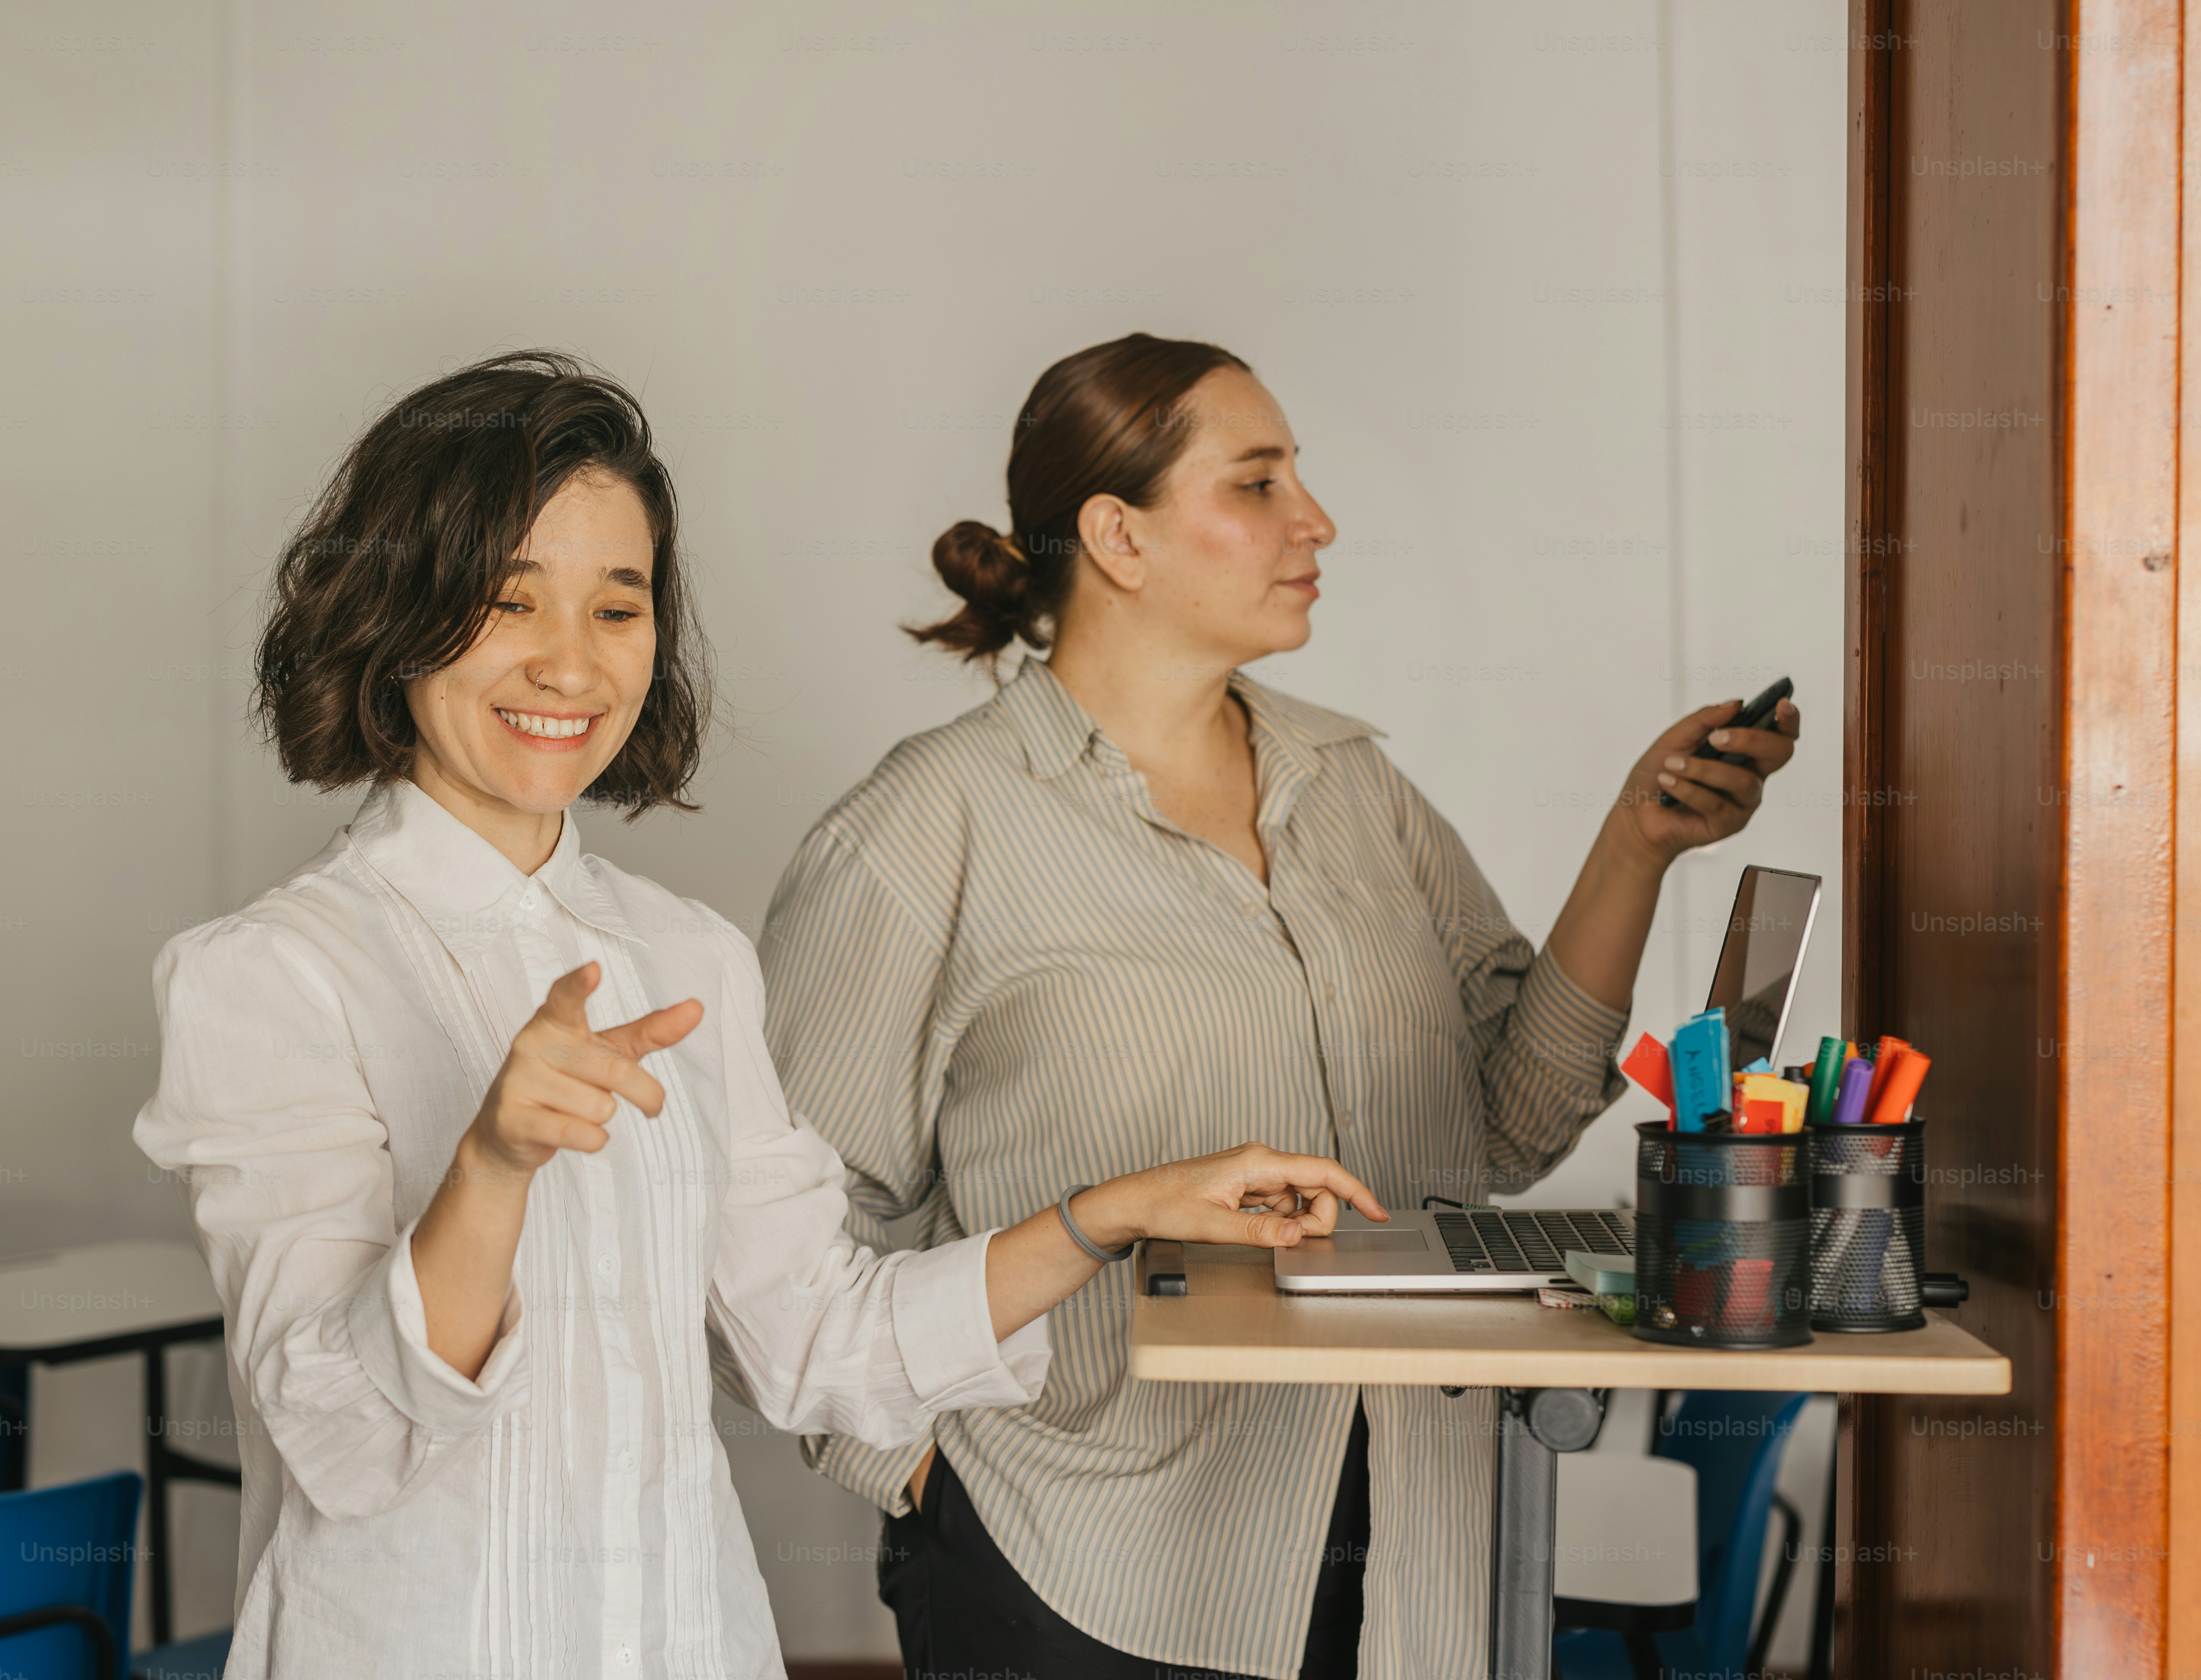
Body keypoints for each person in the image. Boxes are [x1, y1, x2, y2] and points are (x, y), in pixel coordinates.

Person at [131, 350, 1390, 1680]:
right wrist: (492, 1169)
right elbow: (336, 1435)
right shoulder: (270, 974)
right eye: (509, 603)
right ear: (397, 616)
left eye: (618, 610)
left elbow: (814, 1344)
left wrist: (1108, 1215)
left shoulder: (688, 958)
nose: (570, 664)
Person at [755, 333, 1801, 1678]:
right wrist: (920, 1477)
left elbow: (1508, 1126)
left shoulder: (1355, 789)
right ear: (1117, 537)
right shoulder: (917, 837)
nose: (1316, 520)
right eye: (1257, 483)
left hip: (1417, 1542)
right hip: (1086, 1567)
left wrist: (1636, 845)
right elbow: (782, 1248)